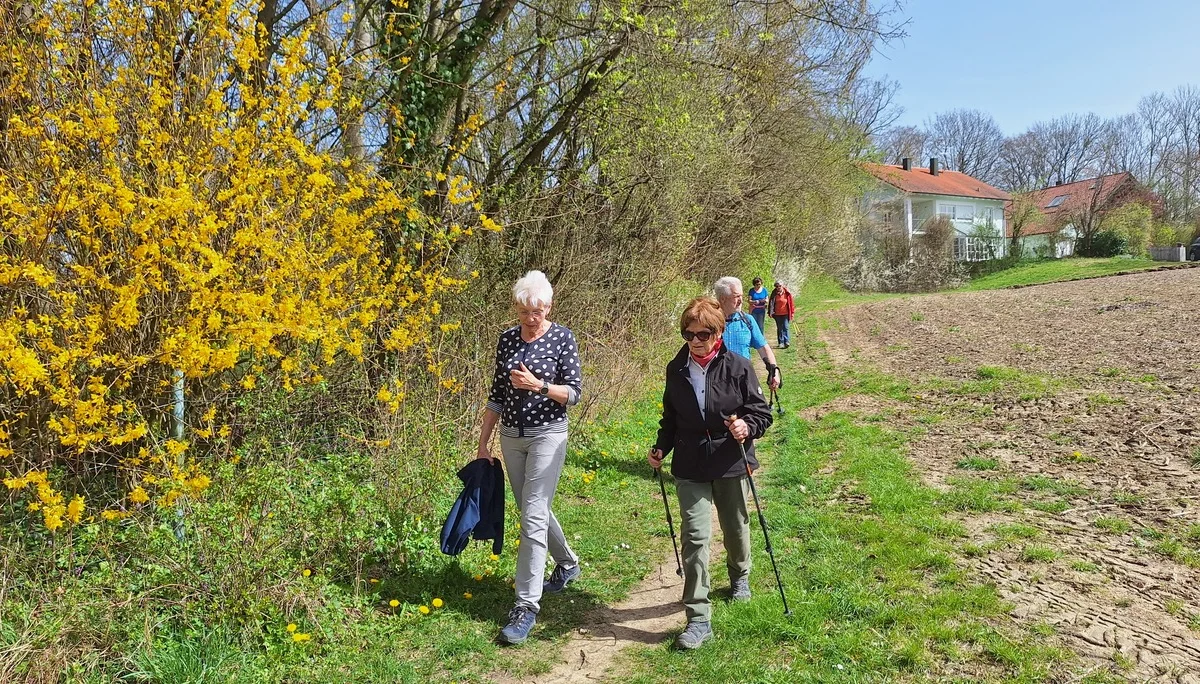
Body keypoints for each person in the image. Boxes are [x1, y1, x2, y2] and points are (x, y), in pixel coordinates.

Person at [648, 297, 773, 650]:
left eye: (703, 333)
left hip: (730, 459)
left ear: (718, 333)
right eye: (689, 334)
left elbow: (761, 413)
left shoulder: (738, 366)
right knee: (696, 537)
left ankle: (740, 575)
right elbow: (671, 419)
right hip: (690, 463)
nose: (696, 341)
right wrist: (661, 446)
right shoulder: (677, 369)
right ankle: (698, 619)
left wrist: (746, 426)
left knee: (735, 527)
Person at [476, 270, 584, 645]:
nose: (529, 318)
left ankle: (526, 607)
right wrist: (482, 443)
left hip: (548, 435)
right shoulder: (507, 340)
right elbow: (496, 394)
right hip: (511, 436)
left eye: (536, 311)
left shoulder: (562, 338)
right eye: (523, 311)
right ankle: (568, 563)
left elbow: (573, 394)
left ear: (548, 307)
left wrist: (539, 385)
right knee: (531, 509)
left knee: (533, 515)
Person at [713, 277, 781, 391]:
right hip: (718, 386)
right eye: (736, 296)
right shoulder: (710, 323)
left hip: (744, 382)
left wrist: (774, 370)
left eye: (741, 296)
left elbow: (764, 348)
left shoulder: (748, 320)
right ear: (723, 299)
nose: (741, 300)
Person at [768, 281, 795, 349]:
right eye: (776, 286)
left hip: (785, 313)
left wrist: (792, 313)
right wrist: (770, 312)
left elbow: (791, 304)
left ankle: (787, 342)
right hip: (777, 314)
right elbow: (771, 303)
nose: (778, 287)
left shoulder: (787, 293)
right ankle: (781, 342)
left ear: (782, 286)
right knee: (780, 328)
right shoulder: (774, 294)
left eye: (779, 286)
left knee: (785, 327)